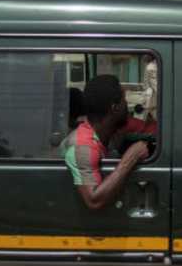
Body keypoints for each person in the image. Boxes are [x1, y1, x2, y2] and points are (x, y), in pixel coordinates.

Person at [60, 74, 149, 210]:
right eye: (124, 100)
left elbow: (148, 127)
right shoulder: (82, 146)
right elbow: (94, 200)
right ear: (115, 108)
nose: (127, 105)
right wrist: (130, 158)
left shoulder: (110, 130)